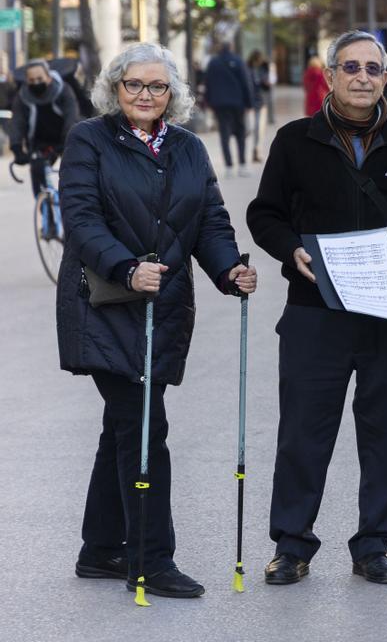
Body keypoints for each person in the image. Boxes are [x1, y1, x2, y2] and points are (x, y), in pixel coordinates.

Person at [57, 42, 257, 599]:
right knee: (145, 426)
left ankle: (99, 549)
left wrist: (228, 272)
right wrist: (125, 268)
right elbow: (80, 218)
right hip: (104, 302)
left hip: (162, 309)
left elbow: (211, 221)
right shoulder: (89, 140)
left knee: (123, 425)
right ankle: (151, 560)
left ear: (174, 95)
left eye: (158, 86)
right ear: (114, 89)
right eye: (134, 85)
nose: (145, 95)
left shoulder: (189, 147)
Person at [247, 30, 387, 587]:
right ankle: (291, 543)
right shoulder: (294, 141)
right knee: (303, 435)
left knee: (385, 436)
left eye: (372, 69)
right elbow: (265, 215)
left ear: (385, 77)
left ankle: (375, 545)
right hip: (314, 313)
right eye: (349, 67)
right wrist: (292, 250)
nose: (362, 77)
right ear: (329, 75)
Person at [8, 58, 79, 197]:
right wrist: (16, 148)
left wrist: (67, 142)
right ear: (27, 81)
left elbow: (72, 117)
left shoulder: (64, 90)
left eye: (40, 78)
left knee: (74, 175)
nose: (36, 83)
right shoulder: (22, 97)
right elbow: (17, 122)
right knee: (38, 175)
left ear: (49, 77)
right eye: (31, 80)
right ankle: (44, 207)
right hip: (39, 142)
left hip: (65, 138)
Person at [204, 42, 255, 177]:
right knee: (241, 134)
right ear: (231, 48)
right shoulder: (238, 61)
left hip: (220, 103)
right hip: (238, 103)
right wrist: (249, 103)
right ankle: (242, 165)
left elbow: (208, 82)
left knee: (224, 134)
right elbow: (246, 82)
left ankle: (229, 166)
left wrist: (208, 102)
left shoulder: (213, 62)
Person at [246, 50, 271, 163]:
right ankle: (251, 149)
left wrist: (266, 83)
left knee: (256, 128)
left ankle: (255, 150)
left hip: (258, 101)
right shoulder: (247, 69)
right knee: (248, 128)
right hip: (247, 102)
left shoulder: (263, 68)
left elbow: (266, 86)